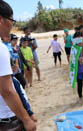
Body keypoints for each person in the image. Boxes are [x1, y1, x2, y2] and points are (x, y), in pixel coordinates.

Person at [0, 1, 36, 130]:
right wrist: (26, 119)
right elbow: (7, 91)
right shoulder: (1, 49)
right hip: (7, 118)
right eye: (12, 20)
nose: (11, 26)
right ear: (1, 19)